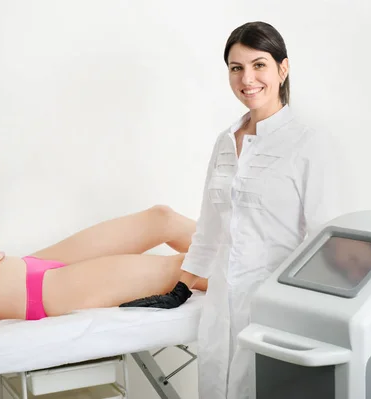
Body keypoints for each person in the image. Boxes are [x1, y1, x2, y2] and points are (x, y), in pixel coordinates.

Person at [120, 21, 348, 399]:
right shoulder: (225, 143)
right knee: (216, 387)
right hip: (221, 304)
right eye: (236, 68)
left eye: (259, 65)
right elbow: (210, 230)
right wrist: (181, 288)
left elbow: (322, 238)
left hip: (275, 306)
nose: (247, 79)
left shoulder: (308, 144)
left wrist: (300, 307)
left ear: (282, 69)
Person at [0, 205, 207, 334]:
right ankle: (247, 277)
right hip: (47, 293)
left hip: (33, 264)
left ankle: (246, 251)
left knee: (161, 218)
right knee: (180, 266)